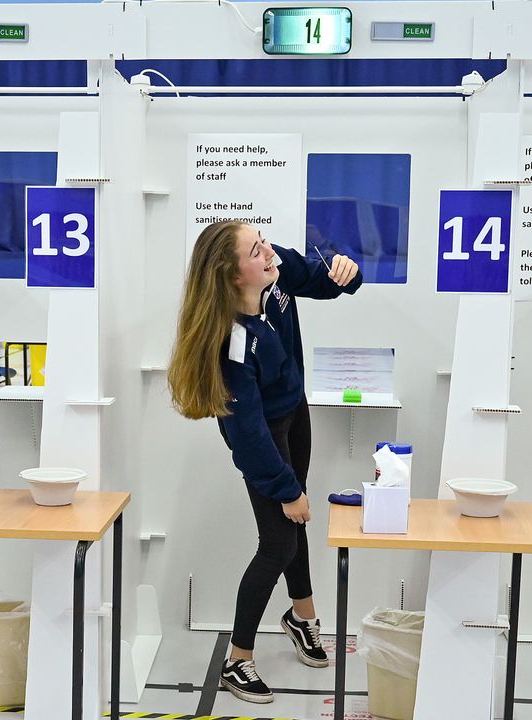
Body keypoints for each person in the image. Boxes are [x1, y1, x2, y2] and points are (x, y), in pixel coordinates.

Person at [168, 221, 362, 703]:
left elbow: (331, 282)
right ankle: (238, 660)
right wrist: (286, 488)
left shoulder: (275, 275)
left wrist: (346, 271)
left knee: (295, 528)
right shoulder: (232, 347)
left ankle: (302, 616)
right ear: (234, 277)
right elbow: (249, 439)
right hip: (265, 437)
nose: (270, 253)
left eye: (264, 242)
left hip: (295, 413)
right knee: (277, 541)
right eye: (257, 251)